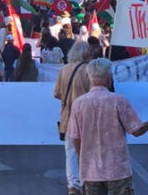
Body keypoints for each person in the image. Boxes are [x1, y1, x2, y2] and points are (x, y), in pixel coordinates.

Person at [67, 58, 148, 195]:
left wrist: (85, 158)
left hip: (90, 171)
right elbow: (137, 130)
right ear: (108, 77)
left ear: (89, 77)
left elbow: (76, 138)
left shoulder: (78, 104)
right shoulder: (118, 100)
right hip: (118, 170)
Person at [53, 41, 92, 195]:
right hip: (86, 116)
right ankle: (86, 182)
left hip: (68, 116)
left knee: (70, 151)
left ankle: (73, 185)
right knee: (86, 150)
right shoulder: (88, 70)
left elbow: (56, 93)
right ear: (83, 53)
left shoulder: (64, 69)